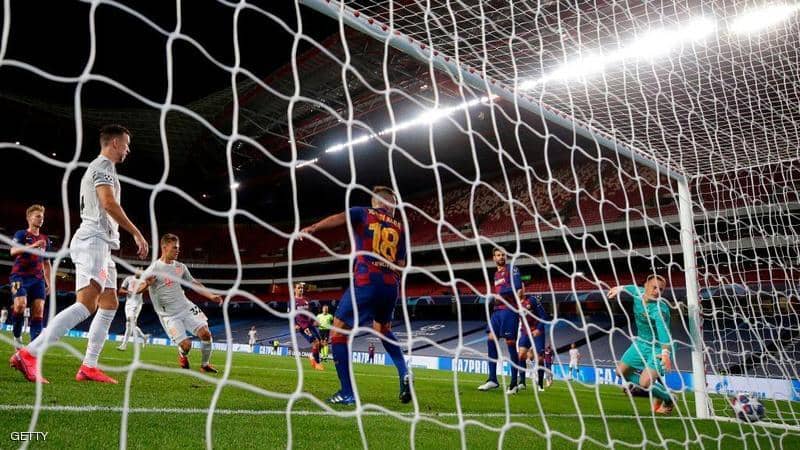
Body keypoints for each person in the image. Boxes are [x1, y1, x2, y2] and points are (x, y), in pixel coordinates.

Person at [11, 125, 149, 384]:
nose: (128, 150)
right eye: (126, 144)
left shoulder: (105, 169)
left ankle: (89, 366)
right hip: (93, 240)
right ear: (115, 143)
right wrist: (136, 233)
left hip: (103, 245)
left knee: (109, 303)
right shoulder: (103, 166)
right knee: (86, 304)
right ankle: (29, 353)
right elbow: (108, 203)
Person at [301, 185, 411, 405]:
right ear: (391, 205)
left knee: (338, 332)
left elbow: (340, 218)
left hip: (366, 279)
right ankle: (404, 371)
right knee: (383, 329)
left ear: (376, 202)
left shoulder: (363, 212)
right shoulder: (401, 228)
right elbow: (401, 265)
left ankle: (347, 392)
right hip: (391, 285)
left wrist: (313, 228)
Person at [141, 233, 222, 373]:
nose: (177, 250)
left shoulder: (180, 267)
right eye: (174, 248)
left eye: (178, 248)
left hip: (186, 307)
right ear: (164, 248)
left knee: (206, 334)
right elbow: (135, 290)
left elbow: (194, 283)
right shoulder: (154, 269)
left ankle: (205, 365)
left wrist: (211, 296)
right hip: (169, 315)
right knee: (186, 345)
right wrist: (146, 284)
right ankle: (182, 354)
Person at [608, 274, 674, 414]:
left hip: (659, 347)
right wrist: (619, 288)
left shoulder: (659, 310)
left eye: (661, 289)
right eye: (654, 287)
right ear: (645, 286)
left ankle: (668, 398)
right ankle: (659, 391)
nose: (657, 292)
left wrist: (665, 353)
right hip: (641, 343)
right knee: (620, 372)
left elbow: (664, 333)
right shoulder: (638, 293)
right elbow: (632, 288)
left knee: (645, 383)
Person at [478, 248, 523, 394]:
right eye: (498, 255)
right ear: (494, 258)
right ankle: (492, 379)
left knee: (510, 344)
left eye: (503, 254)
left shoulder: (512, 268)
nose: (501, 257)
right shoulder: (496, 274)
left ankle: (514, 383)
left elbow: (517, 287)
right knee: (491, 339)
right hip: (497, 312)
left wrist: (501, 293)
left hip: (509, 310)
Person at [9, 204, 52, 348]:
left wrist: (49, 283)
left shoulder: (45, 239)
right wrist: (33, 246)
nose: (41, 219)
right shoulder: (21, 234)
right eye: (38, 216)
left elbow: (46, 263)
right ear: (29, 218)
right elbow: (13, 251)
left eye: (42, 217)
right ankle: (17, 337)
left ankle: (33, 349)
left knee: (39, 311)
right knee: (20, 305)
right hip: (18, 277)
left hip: (38, 280)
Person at [517, 295, 548, 392]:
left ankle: (540, 384)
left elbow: (544, 316)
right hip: (525, 331)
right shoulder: (513, 302)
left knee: (540, 358)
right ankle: (522, 382)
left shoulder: (532, 299)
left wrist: (538, 329)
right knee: (521, 355)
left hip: (537, 331)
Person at [292, 282, 324, 370]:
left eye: (302, 288)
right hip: (303, 326)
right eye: (299, 288)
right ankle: (317, 363)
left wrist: (314, 321)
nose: (301, 289)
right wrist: (295, 324)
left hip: (310, 324)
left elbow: (309, 313)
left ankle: (312, 356)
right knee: (315, 342)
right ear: (294, 289)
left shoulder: (306, 299)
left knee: (320, 343)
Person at [117, 271, 149, 351]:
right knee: (131, 324)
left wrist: (145, 286)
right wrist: (127, 291)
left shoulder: (143, 281)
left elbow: (140, 291)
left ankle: (124, 345)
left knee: (129, 322)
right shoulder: (128, 279)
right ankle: (143, 336)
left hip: (137, 304)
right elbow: (120, 290)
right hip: (128, 304)